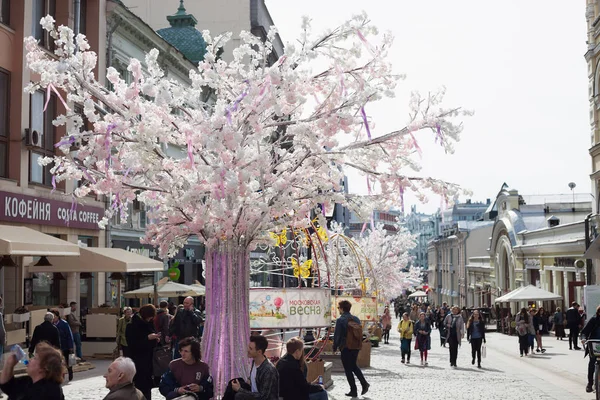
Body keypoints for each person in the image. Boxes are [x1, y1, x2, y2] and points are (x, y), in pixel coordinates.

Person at [0, 342, 65, 400]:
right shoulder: (29, 381)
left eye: (35, 358)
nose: (30, 359)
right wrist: (9, 364)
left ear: (44, 368)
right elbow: (7, 386)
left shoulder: (50, 391)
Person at [333, 300, 369, 397]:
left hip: (345, 346)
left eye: (338, 308)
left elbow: (337, 335)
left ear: (341, 309)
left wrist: (335, 346)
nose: (338, 310)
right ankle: (363, 383)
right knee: (353, 365)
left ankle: (354, 390)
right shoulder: (356, 319)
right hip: (355, 346)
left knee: (348, 369)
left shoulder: (340, 320)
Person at [126, 304, 160, 400]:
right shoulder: (132, 326)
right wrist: (148, 338)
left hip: (149, 361)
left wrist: (155, 339)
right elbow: (133, 344)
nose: (151, 319)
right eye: (150, 316)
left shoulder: (149, 324)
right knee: (139, 386)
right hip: (138, 361)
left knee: (147, 388)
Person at [231, 335, 279, 400]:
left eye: (251, 349)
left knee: (239, 396)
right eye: (248, 347)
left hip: (261, 397)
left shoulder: (269, 370)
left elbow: (263, 397)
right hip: (254, 393)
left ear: (259, 352)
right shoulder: (255, 361)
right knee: (232, 385)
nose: (248, 350)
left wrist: (240, 389)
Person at [581, 305, 600, 393]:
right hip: (594, 345)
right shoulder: (594, 319)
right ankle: (590, 383)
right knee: (592, 362)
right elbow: (584, 331)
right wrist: (584, 338)